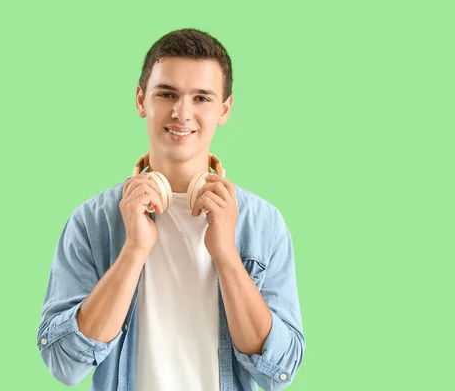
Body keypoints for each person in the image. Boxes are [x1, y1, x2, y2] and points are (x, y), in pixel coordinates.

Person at [36, 28, 305, 391]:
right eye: (167, 94)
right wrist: (133, 251)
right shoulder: (92, 222)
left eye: (201, 98)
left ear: (224, 109)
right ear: (141, 99)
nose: (182, 113)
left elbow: (279, 370)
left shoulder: (264, 225)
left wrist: (226, 254)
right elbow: (64, 362)